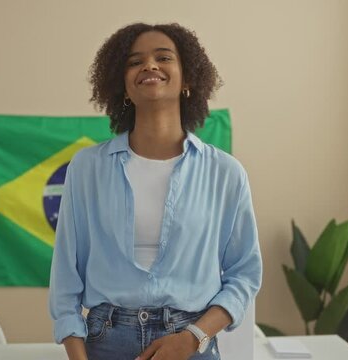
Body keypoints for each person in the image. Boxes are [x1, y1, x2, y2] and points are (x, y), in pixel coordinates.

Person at [49, 23, 262, 360]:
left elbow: (244, 275)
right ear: (122, 85)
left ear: (188, 78)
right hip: (104, 340)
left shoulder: (225, 173)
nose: (149, 65)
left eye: (163, 57)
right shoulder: (86, 168)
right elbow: (65, 282)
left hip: (191, 343)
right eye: (135, 62)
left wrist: (193, 337)